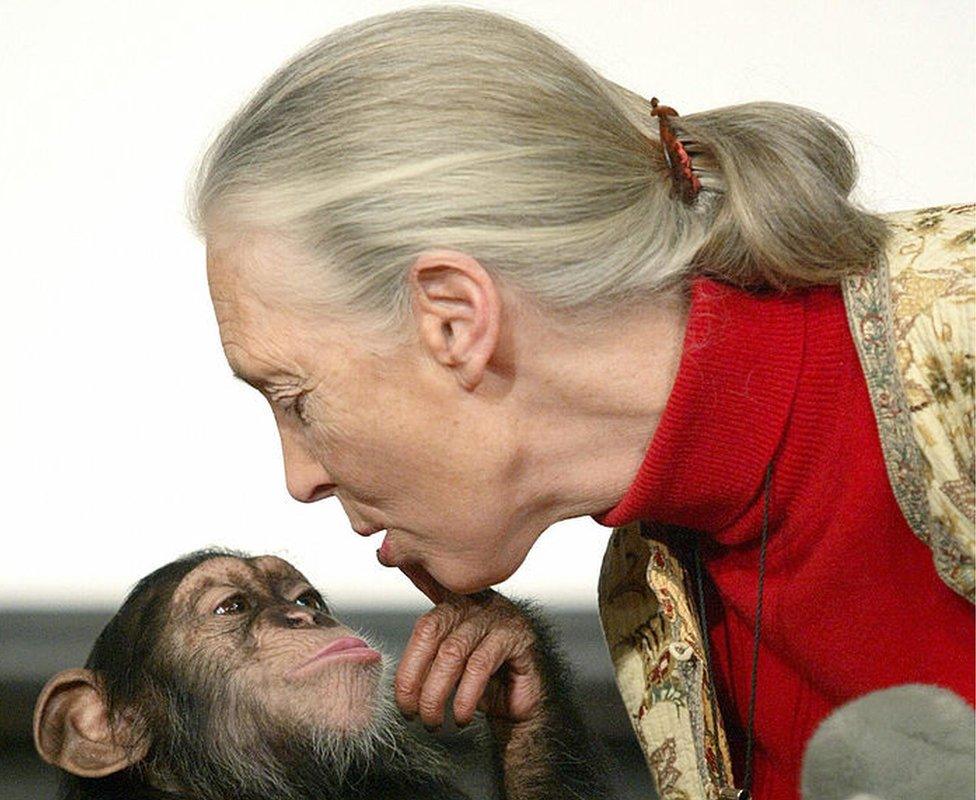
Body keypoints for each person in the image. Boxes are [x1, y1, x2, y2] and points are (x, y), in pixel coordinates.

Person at [191, 6, 975, 799]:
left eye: (294, 398)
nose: (301, 477)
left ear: (455, 319)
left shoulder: (959, 332)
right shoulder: (650, 593)